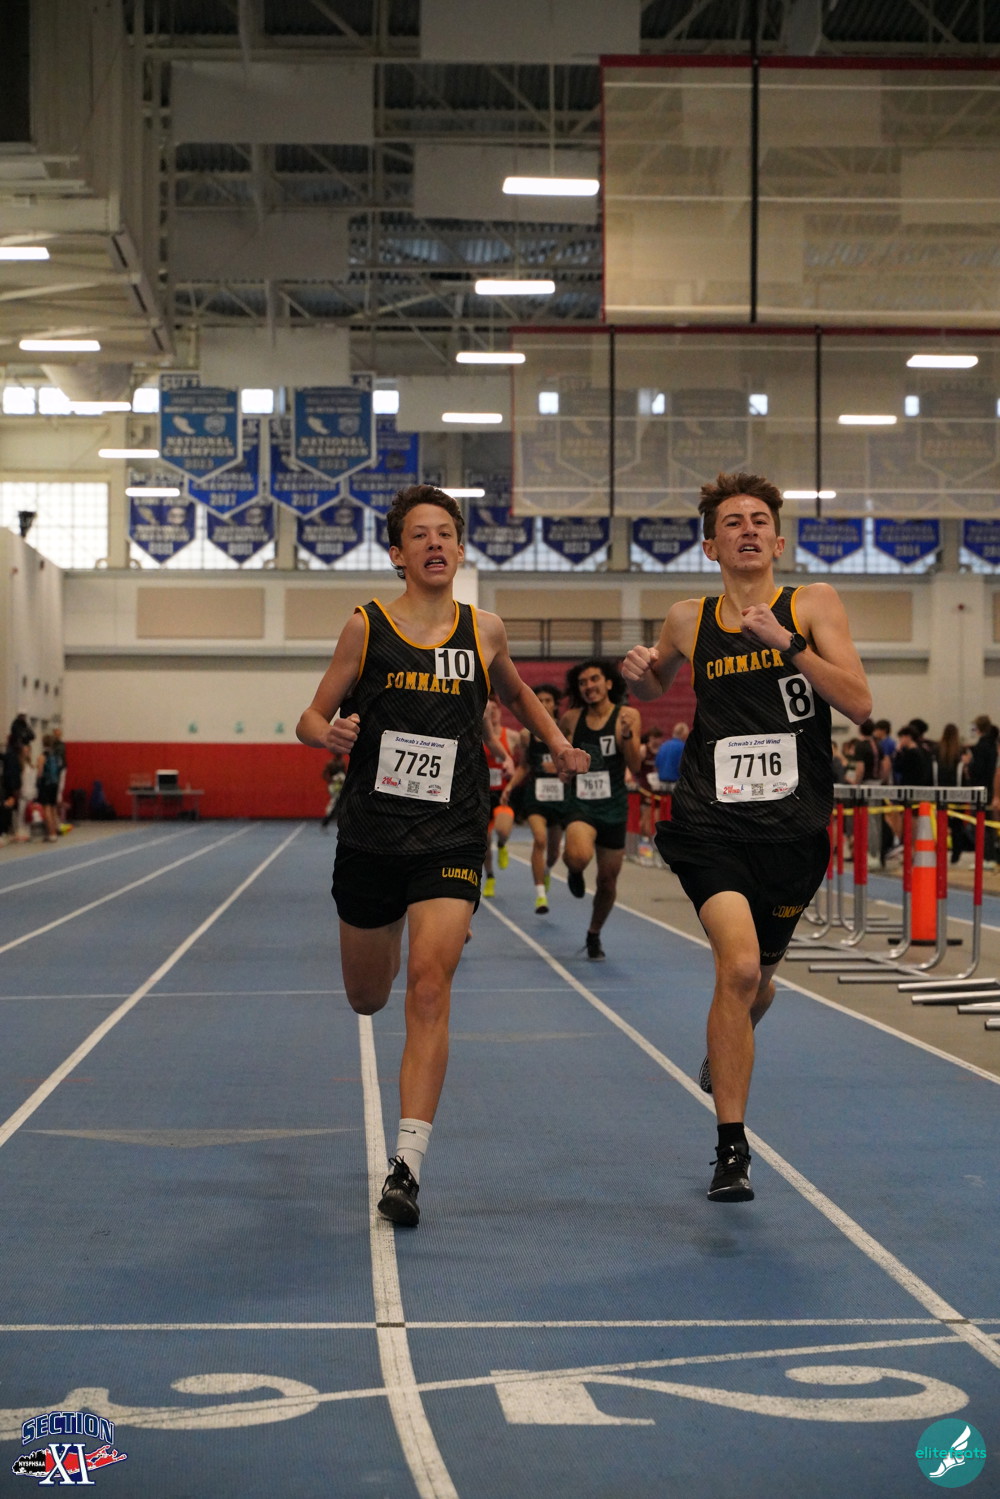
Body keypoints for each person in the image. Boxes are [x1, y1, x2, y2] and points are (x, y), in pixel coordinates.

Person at [295, 484, 589, 1227]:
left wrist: (558, 743)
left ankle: (407, 1166)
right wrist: (326, 732)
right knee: (369, 996)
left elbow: (517, 696)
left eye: (445, 533)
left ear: (460, 549)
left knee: (431, 985)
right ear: (397, 554)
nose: (434, 543)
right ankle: (392, 927)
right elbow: (311, 715)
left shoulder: (484, 630)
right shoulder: (365, 627)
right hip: (372, 833)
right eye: (419, 534)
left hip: (452, 833)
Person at [622, 471, 871, 1204]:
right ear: (711, 546)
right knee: (735, 969)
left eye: (760, 519)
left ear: (779, 541)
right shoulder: (687, 618)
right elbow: (653, 684)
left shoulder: (812, 604)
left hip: (794, 828)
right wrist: (638, 676)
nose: (749, 529)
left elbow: (858, 702)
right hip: (712, 822)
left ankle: (724, 1046)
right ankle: (732, 1149)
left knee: (757, 983)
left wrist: (787, 643)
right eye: (733, 521)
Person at [560, 658, 643, 960]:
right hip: (581, 803)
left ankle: (594, 933)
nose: (589, 686)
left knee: (607, 882)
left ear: (608, 683)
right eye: (582, 683)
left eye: (594, 679)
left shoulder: (628, 716)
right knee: (578, 856)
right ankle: (574, 869)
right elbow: (561, 755)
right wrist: (563, 770)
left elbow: (635, 765)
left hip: (613, 806)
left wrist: (628, 736)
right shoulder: (571, 719)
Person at [505, 683, 566, 914]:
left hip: (559, 797)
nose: (544, 704)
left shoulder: (566, 732)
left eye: (548, 700)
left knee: (553, 852)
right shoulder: (526, 735)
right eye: (539, 701)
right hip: (536, 796)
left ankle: (546, 870)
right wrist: (510, 786)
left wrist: (561, 768)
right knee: (539, 840)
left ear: (555, 705)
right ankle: (540, 896)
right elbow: (524, 766)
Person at [481, 693, 517, 897]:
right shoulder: (480, 735)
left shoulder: (510, 736)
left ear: (500, 712)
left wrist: (511, 784)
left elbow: (523, 763)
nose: (492, 713)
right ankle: (490, 877)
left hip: (503, 794)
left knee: (502, 831)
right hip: (484, 793)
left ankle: (502, 844)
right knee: (485, 840)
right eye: (488, 709)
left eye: (495, 709)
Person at [634, 727, 664, 854]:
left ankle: (653, 841)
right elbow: (634, 767)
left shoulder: (660, 751)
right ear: (650, 738)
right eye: (654, 738)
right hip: (644, 788)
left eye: (659, 738)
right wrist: (632, 778)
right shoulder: (643, 749)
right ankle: (644, 842)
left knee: (657, 818)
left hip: (657, 788)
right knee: (645, 816)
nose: (657, 741)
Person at [35, 734, 61, 842]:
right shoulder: (56, 756)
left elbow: (40, 773)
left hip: (46, 784)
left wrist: (37, 781)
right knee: (53, 808)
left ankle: (51, 833)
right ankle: (55, 830)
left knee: (46, 809)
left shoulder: (42, 756)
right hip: (55, 784)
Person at [320, 752, 348, 830]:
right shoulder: (331, 763)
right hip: (334, 787)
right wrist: (331, 780)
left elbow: (345, 774)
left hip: (340, 786)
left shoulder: (342, 763)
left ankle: (329, 820)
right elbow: (324, 774)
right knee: (334, 802)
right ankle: (326, 820)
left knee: (340, 803)